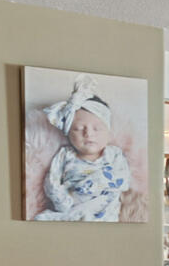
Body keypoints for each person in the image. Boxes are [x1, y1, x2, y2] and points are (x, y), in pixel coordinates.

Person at [36, 80, 135, 221]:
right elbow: (52, 182)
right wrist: (63, 202)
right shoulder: (65, 155)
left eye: (97, 128)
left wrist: (88, 185)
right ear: (68, 133)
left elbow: (123, 180)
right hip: (71, 210)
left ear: (108, 133)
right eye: (79, 129)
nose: (89, 134)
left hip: (104, 214)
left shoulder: (114, 154)